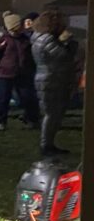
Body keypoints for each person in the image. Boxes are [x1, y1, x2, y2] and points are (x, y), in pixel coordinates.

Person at [31, 11, 77, 156]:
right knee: (52, 114)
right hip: (50, 79)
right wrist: (69, 43)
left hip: (49, 77)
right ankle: (46, 145)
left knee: (54, 113)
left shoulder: (41, 38)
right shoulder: (47, 40)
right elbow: (63, 56)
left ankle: (48, 143)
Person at [0, 12, 39, 132]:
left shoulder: (25, 39)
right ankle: (1, 122)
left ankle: (31, 120)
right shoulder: (2, 38)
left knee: (27, 97)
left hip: (22, 73)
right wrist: (0, 47)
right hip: (5, 73)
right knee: (3, 99)